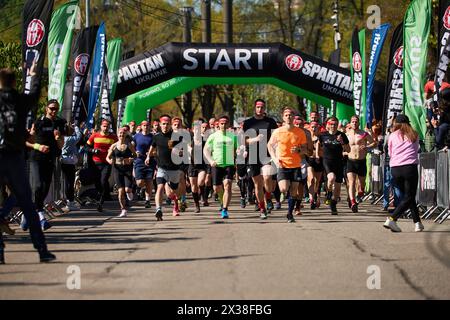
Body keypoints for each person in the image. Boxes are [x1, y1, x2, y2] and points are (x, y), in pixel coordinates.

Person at [0, 65, 56, 263]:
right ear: (15, 82)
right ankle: (41, 250)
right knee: (28, 204)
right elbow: (34, 93)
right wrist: (33, 75)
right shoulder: (20, 100)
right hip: (14, 157)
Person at [25, 99, 66, 231]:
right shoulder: (39, 121)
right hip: (36, 158)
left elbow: (61, 145)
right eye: (51, 108)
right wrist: (38, 146)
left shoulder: (60, 122)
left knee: (45, 188)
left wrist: (58, 138)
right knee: (37, 186)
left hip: (50, 159)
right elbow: (26, 142)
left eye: (56, 109)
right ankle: (41, 217)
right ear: (46, 109)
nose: (54, 111)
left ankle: (28, 212)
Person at [383, 114, 424, 232]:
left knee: (407, 197)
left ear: (397, 124)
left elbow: (390, 152)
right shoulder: (414, 134)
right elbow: (417, 149)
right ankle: (392, 218)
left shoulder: (392, 135)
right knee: (409, 196)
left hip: (395, 168)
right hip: (409, 167)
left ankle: (417, 223)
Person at [267, 107, 308, 223]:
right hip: (282, 164)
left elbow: (305, 149)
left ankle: (290, 213)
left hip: (295, 165)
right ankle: (285, 195)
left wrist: (299, 150)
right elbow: (270, 145)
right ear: (283, 117)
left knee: (294, 191)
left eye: (290, 115)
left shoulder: (300, 132)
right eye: (286, 115)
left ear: (293, 117)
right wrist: (274, 159)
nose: (288, 117)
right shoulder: (278, 131)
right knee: (283, 188)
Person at [243, 99, 278, 218]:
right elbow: (245, 140)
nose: (260, 109)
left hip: (266, 154)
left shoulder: (270, 122)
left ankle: (268, 196)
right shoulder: (248, 123)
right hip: (253, 156)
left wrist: (276, 153)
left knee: (267, 177)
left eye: (262, 107)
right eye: (258, 107)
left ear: (264, 108)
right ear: (255, 108)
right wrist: (255, 139)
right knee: (257, 184)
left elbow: (276, 139)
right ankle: (262, 209)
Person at [147, 115, 182, 221]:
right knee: (160, 187)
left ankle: (176, 202)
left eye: (167, 124)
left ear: (170, 125)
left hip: (174, 169)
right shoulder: (156, 137)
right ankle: (158, 209)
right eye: (163, 124)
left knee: (172, 192)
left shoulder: (176, 136)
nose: (165, 126)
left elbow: (182, 151)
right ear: (160, 125)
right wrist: (148, 157)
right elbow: (152, 147)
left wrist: (180, 152)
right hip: (161, 168)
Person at [203, 115, 238, 219]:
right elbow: (206, 150)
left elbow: (237, 149)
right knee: (216, 188)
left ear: (228, 124)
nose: (223, 125)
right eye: (221, 124)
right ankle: (222, 201)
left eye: (225, 123)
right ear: (218, 124)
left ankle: (225, 209)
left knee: (227, 184)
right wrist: (210, 160)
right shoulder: (213, 136)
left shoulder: (233, 136)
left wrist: (239, 151)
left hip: (229, 164)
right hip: (216, 164)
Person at [317, 116, 350, 215]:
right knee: (331, 178)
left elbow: (348, 150)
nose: (333, 126)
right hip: (327, 161)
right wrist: (317, 156)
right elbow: (318, 145)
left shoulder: (342, 135)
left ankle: (333, 204)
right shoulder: (323, 135)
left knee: (338, 187)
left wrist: (342, 142)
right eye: (331, 124)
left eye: (335, 124)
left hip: (339, 162)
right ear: (327, 125)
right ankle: (329, 193)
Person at [345, 115, 376, 213]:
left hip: (361, 161)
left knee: (361, 184)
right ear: (350, 123)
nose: (354, 123)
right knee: (352, 182)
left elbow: (374, 143)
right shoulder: (346, 135)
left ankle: (360, 192)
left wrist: (367, 147)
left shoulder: (364, 134)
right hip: (350, 161)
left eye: (356, 121)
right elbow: (342, 146)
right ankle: (353, 202)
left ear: (359, 123)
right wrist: (344, 151)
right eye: (353, 121)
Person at [86, 119, 118, 212]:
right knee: (97, 182)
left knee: (103, 181)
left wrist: (114, 156)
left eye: (107, 126)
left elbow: (117, 148)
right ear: (101, 126)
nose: (105, 128)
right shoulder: (94, 136)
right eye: (104, 126)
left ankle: (101, 201)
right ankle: (101, 194)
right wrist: (93, 150)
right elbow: (86, 147)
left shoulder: (113, 137)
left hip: (106, 163)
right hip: (95, 163)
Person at [106, 128, 136, 217]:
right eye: (120, 133)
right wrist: (110, 161)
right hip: (117, 169)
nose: (121, 135)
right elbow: (107, 157)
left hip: (127, 169)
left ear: (125, 135)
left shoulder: (129, 145)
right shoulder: (114, 146)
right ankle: (123, 209)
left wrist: (131, 159)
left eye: (123, 134)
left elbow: (134, 155)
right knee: (120, 191)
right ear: (117, 135)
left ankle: (130, 192)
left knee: (127, 189)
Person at [132, 120, 155, 208]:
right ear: (141, 126)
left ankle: (147, 201)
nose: (146, 127)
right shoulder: (136, 136)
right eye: (144, 125)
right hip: (139, 161)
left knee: (149, 181)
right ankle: (141, 188)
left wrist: (151, 154)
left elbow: (156, 150)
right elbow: (132, 146)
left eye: (147, 125)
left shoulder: (152, 137)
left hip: (150, 162)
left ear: (149, 126)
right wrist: (135, 152)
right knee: (140, 183)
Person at [60, 123, 82, 211]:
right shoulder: (69, 139)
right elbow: (79, 136)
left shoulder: (61, 138)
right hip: (69, 161)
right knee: (70, 182)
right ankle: (70, 201)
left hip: (63, 160)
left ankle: (69, 200)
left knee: (67, 182)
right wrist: (76, 126)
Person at [189, 119, 209, 213]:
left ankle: (202, 194)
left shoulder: (204, 140)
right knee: (193, 187)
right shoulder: (189, 140)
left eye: (198, 128)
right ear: (193, 130)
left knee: (201, 182)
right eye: (195, 129)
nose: (197, 130)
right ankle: (197, 205)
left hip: (202, 165)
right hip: (192, 165)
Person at [307, 121, 324, 209]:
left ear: (319, 128)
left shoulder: (321, 137)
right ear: (310, 128)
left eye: (315, 127)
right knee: (311, 179)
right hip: (310, 160)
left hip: (319, 160)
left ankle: (316, 195)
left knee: (317, 182)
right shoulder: (308, 137)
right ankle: (311, 199)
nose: (314, 129)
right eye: (312, 127)